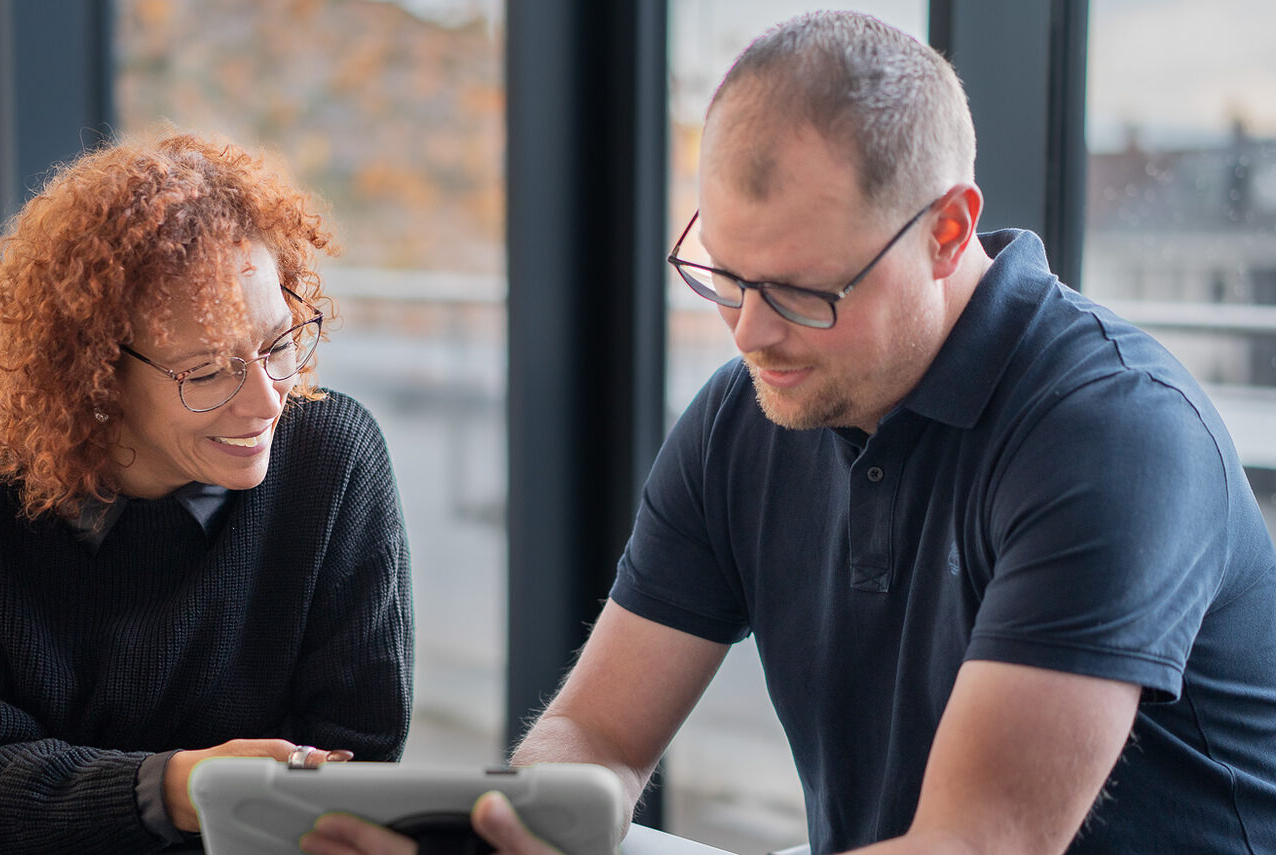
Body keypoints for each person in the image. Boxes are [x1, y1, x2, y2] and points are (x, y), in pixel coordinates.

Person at [300, 11, 1276, 855]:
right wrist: (514, 829)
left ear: (946, 232)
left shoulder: (1113, 434)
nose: (748, 332)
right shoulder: (746, 414)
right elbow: (593, 735)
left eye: (803, 292)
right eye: (722, 274)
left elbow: (977, 843)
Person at [0, 131, 414, 855]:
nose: (268, 401)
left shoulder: (333, 460)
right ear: (96, 378)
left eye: (276, 344)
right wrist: (175, 788)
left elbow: (351, 768)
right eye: (207, 371)